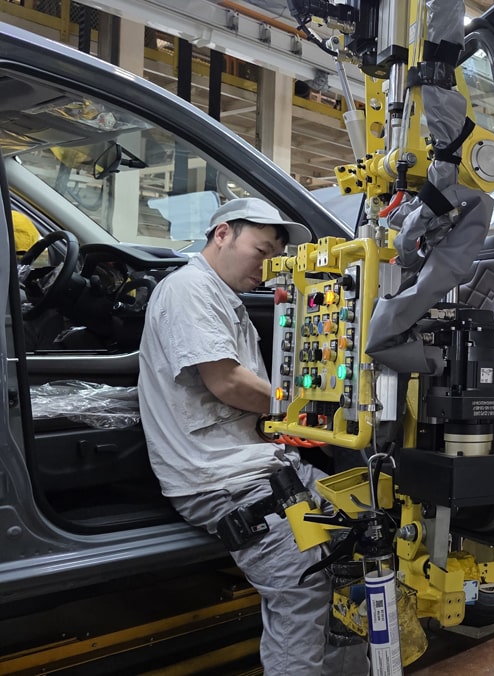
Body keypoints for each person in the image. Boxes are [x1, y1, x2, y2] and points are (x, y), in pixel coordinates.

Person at [138, 197, 366, 675]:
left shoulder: (226, 299)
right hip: (221, 479)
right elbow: (228, 383)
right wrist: (315, 409)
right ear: (222, 233)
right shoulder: (189, 289)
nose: (267, 268)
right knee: (303, 587)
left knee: (358, 543)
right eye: (261, 252)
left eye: (274, 258)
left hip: (261, 466)